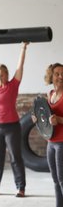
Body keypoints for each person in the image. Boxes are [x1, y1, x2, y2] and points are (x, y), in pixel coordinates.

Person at [0, 42, 29, 197]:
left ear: (7, 74)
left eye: (2, 73)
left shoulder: (13, 85)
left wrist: (23, 47)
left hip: (12, 127)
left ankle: (20, 188)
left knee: (16, 158)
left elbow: (20, 66)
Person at [42, 63, 63, 207]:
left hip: (62, 143)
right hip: (51, 143)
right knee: (55, 179)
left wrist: (60, 120)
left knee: (62, 180)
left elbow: (57, 119)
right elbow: (46, 118)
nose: (61, 77)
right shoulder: (50, 95)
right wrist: (38, 119)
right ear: (51, 76)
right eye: (57, 74)